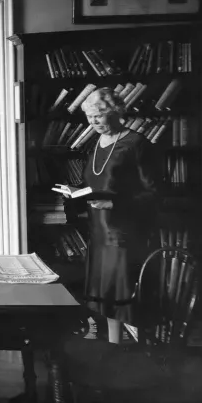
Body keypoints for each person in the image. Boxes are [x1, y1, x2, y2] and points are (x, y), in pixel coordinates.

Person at [76, 87, 159, 344]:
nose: (93, 123)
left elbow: (154, 193)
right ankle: (113, 349)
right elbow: (97, 183)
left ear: (115, 113)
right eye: (89, 118)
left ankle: (127, 353)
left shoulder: (136, 144)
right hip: (98, 234)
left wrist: (115, 205)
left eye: (98, 116)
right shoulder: (96, 143)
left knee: (121, 299)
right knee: (105, 299)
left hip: (122, 234)